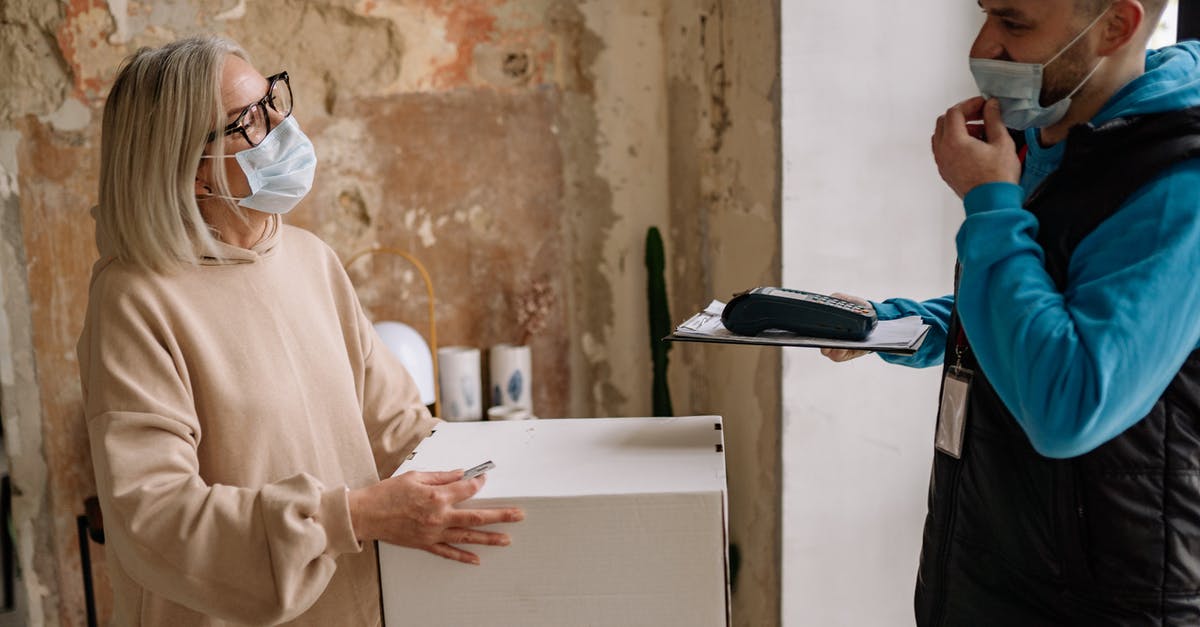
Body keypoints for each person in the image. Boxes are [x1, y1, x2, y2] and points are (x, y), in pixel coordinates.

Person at [77, 36, 523, 625]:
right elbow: (154, 518)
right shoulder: (134, 299)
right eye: (245, 122)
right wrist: (352, 518)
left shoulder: (311, 258)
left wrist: (519, 468)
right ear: (189, 173)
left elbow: (399, 426)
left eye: (272, 99)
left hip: (355, 605)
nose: (281, 125)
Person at [822, 0, 1200, 624]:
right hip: (992, 573)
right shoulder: (1055, 141)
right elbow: (1043, 311)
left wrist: (990, 205)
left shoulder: (1176, 186)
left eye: (1014, 23)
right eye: (985, 15)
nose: (983, 48)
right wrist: (889, 324)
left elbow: (1068, 404)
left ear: (1117, 26)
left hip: (1103, 602)